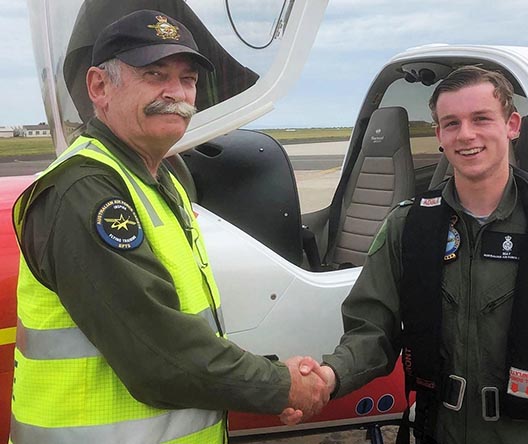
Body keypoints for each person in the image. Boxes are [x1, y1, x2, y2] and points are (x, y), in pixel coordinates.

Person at [11, 10, 326, 443]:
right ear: (99, 88)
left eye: (188, 79)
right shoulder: (87, 192)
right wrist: (281, 385)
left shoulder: (160, 180)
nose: (176, 93)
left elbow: (189, 329)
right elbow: (159, 355)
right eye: (154, 74)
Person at [290, 66, 528, 443]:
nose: (466, 135)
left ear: (512, 125)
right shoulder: (408, 227)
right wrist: (330, 376)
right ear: (439, 135)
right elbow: (371, 330)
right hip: (439, 431)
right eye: (451, 123)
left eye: (481, 119)